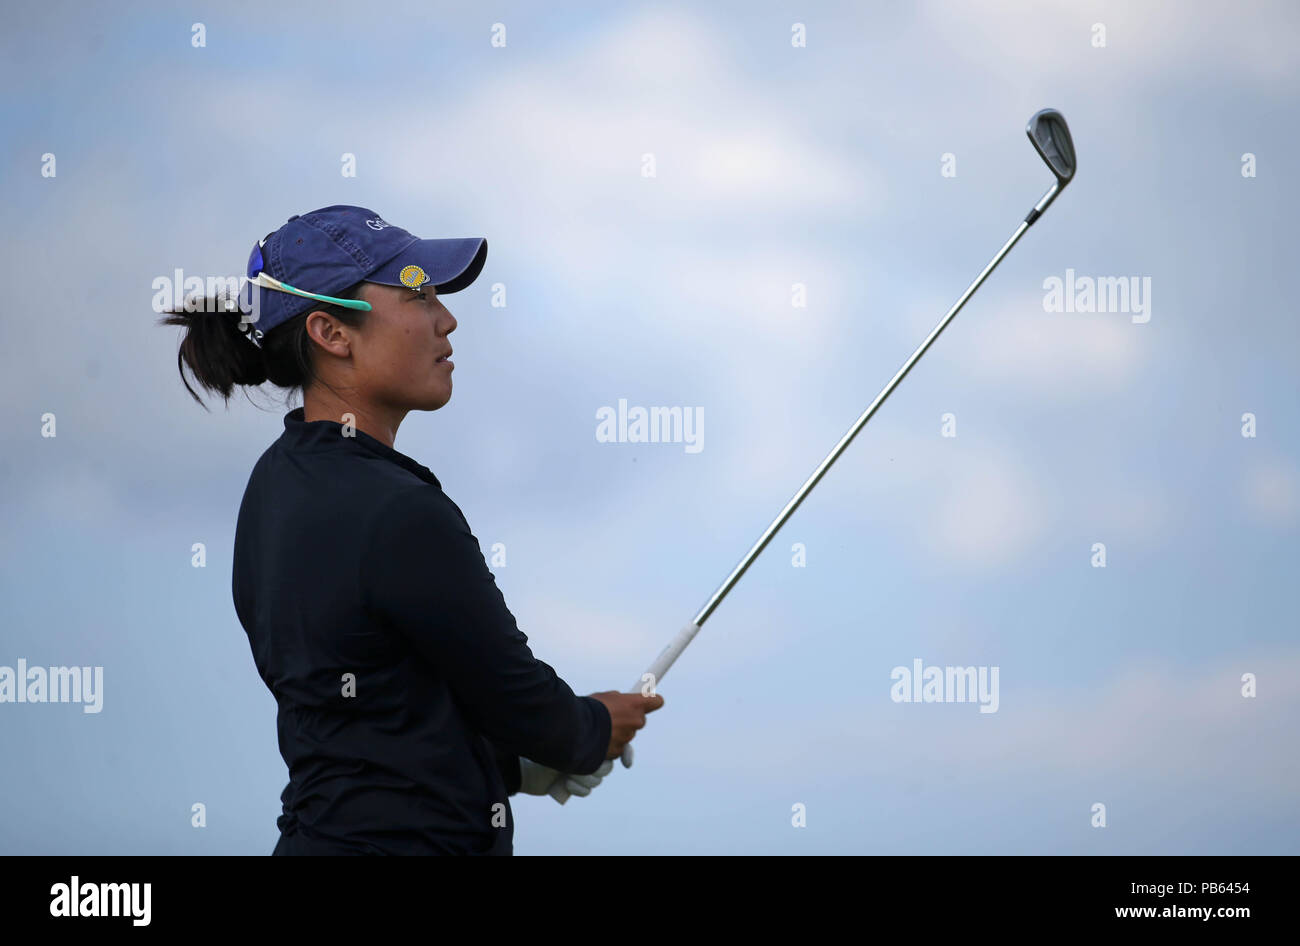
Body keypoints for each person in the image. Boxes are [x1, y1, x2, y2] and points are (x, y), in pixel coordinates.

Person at [159, 205, 664, 855]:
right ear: (331, 332)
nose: (446, 318)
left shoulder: (271, 491)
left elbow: (375, 716)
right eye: (417, 292)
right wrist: (592, 727)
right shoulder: (397, 509)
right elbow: (522, 703)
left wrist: (510, 767)